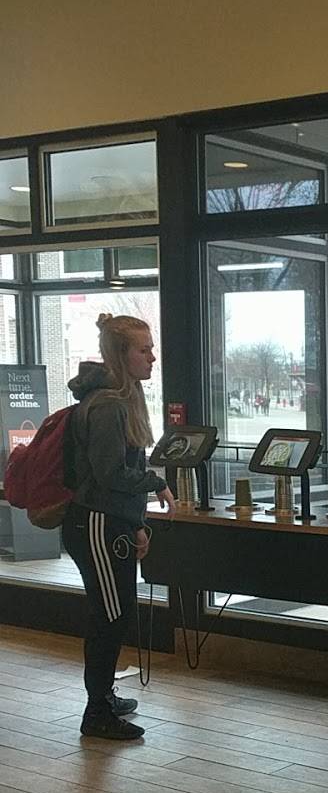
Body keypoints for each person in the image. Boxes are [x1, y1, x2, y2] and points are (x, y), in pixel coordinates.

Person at [63, 314, 175, 741]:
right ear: (121, 354)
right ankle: (97, 712)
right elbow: (110, 474)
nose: (152, 357)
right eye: (143, 350)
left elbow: (119, 473)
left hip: (110, 522)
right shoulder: (109, 405)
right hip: (96, 523)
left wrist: (137, 524)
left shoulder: (122, 400)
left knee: (114, 611)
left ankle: (104, 697)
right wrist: (155, 483)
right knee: (110, 615)